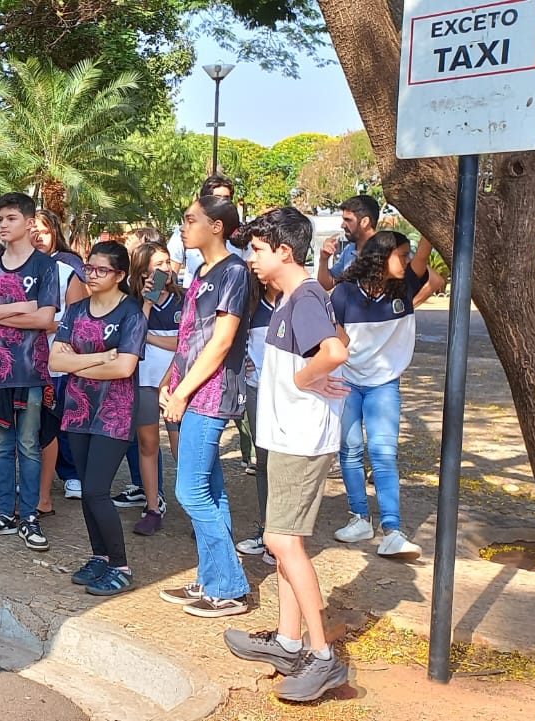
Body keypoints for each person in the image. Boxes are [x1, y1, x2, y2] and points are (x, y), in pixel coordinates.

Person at [229, 206, 351, 702]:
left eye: (258, 250)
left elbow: (335, 351)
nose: (252, 258)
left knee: (282, 541)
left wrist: (307, 378)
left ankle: (322, 658)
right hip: (286, 437)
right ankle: (287, 641)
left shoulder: (304, 296)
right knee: (285, 542)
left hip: (301, 440)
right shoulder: (292, 298)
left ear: (284, 251)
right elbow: (338, 342)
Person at [156, 195, 253, 617]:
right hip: (190, 389)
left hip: (211, 395)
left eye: (190, 219)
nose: (183, 226)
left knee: (190, 491)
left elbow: (221, 342)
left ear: (217, 227)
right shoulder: (200, 271)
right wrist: (170, 381)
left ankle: (230, 585)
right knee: (210, 489)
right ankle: (212, 580)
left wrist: (183, 393)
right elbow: (190, 337)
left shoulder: (234, 272)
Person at [0, 192, 61, 552]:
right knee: (2, 445)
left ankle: (30, 516)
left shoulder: (45, 266)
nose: (2, 225)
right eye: (0, 219)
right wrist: (22, 306)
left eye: (10, 218)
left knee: (29, 445)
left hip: (31, 370)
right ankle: (4, 513)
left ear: (29, 222)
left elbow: (45, 318)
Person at [329, 230, 433, 560]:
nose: (407, 260)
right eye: (401, 255)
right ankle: (360, 518)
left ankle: (392, 531)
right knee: (350, 449)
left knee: (384, 454)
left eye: (408, 255)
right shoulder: (344, 293)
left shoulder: (405, 285)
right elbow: (335, 338)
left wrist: (435, 223)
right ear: (381, 257)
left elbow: (425, 253)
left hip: (384, 385)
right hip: (348, 382)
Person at [52, 241, 147, 596]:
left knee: (96, 490)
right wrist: (100, 358)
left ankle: (120, 566)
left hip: (114, 414)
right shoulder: (76, 310)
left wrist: (78, 363)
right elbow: (55, 361)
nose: (92, 274)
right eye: (89, 267)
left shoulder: (131, 314)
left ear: (119, 275)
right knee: (88, 493)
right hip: (78, 410)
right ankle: (99, 556)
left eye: (101, 270)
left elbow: (124, 368)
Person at [118, 240, 181, 536]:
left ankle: (197, 511)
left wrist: (151, 338)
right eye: (158, 264)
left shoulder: (183, 299)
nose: (166, 268)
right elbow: (133, 338)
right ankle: (153, 506)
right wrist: (146, 302)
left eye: (167, 262)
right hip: (144, 381)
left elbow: (185, 343)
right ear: (143, 271)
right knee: (148, 445)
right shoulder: (131, 301)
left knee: (181, 448)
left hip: (176, 384)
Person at [32, 209, 86, 508]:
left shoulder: (67, 268)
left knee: (62, 420)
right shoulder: (15, 267)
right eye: (33, 230)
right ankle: (34, 478)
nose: (38, 237)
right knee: (32, 423)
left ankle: (71, 473)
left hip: (58, 359)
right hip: (27, 360)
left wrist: (50, 325)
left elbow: (79, 316)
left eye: (44, 231)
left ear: (55, 232)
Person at [235, 285, 280, 560]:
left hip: (288, 397)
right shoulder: (251, 303)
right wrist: (243, 359)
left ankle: (281, 538)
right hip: (256, 391)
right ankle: (266, 532)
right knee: (263, 462)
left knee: (281, 465)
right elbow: (232, 337)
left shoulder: (298, 299)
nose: (255, 265)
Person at [170, 176, 239, 286]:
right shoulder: (182, 234)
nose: (221, 203)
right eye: (216, 198)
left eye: (226, 198)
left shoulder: (237, 266)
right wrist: (155, 294)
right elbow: (170, 271)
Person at [318, 195, 381, 292]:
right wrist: (324, 259)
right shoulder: (349, 250)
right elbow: (326, 285)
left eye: (348, 220)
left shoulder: (387, 251)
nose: (342, 225)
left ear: (365, 222)